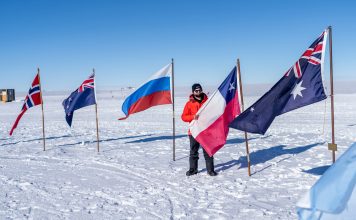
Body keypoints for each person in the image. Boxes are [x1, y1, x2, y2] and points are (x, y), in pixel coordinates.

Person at [181, 83, 217, 176]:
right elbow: (184, 117)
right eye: (196, 90)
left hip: (206, 131)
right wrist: (193, 117)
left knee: (208, 150)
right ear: (193, 92)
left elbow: (213, 113)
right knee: (193, 151)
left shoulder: (207, 102)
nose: (198, 92)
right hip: (194, 131)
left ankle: (210, 170)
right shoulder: (189, 104)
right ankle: (193, 170)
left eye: (199, 90)